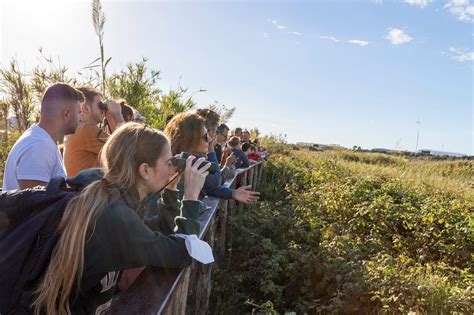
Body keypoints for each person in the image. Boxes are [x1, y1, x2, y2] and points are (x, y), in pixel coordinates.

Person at [33, 122, 210, 315]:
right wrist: (191, 196)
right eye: (168, 163)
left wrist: (171, 189)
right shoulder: (113, 215)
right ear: (145, 170)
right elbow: (183, 253)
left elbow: (161, 231)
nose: (172, 169)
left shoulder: (111, 199)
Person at [2, 83, 84, 190]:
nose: (81, 118)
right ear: (66, 114)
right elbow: (36, 204)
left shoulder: (43, 140)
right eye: (79, 113)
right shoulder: (40, 146)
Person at [164, 113, 259, 204]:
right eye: (205, 136)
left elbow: (210, 188)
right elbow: (214, 182)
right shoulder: (188, 162)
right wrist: (211, 150)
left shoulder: (185, 159)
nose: (210, 139)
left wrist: (232, 193)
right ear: (191, 139)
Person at [63, 86, 125, 176]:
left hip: (85, 188)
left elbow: (118, 146)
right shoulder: (86, 129)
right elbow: (127, 148)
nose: (102, 109)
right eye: (100, 105)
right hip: (90, 188)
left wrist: (111, 119)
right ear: (86, 108)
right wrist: (117, 114)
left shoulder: (78, 129)